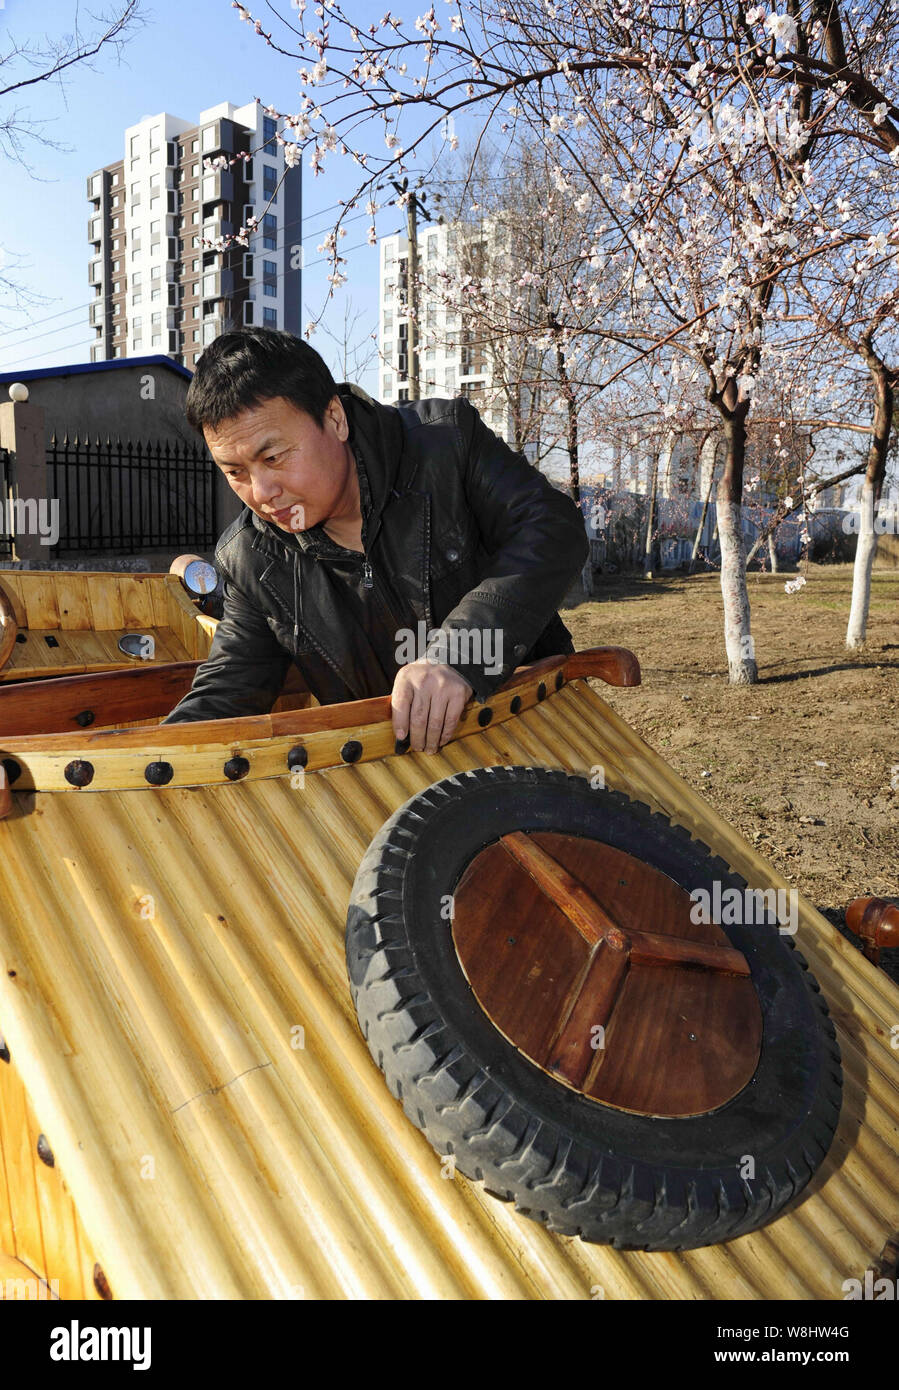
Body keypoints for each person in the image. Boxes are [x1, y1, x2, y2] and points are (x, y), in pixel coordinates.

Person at [161, 329, 588, 753]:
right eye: (235, 472)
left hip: (536, 725)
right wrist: (152, 756)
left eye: (273, 458)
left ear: (335, 418)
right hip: (397, 777)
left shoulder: (445, 444)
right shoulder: (251, 558)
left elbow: (552, 529)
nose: (261, 492)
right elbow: (229, 687)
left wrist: (458, 655)